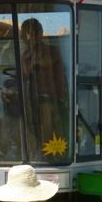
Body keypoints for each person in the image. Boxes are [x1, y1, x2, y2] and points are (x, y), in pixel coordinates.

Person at [19, 18, 67, 157]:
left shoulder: (52, 51)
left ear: (40, 34)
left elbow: (40, 64)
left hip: (51, 99)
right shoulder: (25, 55)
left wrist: (33, 54)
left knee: (48, 125)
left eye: (31, 34)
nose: (27, 38)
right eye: (25, 34)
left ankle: (50, 157)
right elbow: (24, 74)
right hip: (31, 99)